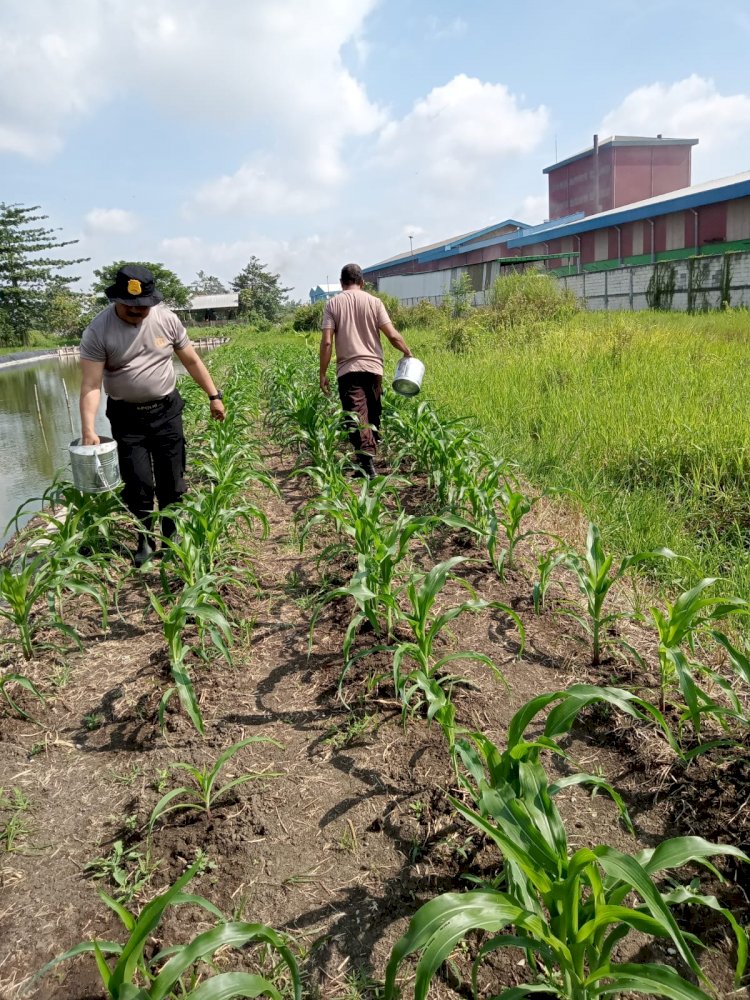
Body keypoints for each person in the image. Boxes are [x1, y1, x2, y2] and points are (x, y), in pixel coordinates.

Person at [79, 263, 225, 565]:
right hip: (127, 418)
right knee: (139, 484)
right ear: (117, 299)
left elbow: (192, 361)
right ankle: (144, 539)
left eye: (143, 306)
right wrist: (88, 429)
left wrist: (214, 395)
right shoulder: (98, 331)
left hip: (166, 412)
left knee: (172, 482)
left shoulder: (166, 320)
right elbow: (92, 384)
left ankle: (170, 537)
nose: (137, 311)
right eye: (130, 306)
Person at [319, 263, 412, 477]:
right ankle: (366, 460)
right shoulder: (375, 302)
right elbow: (393, 335)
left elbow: (326, 343)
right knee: (372, 412)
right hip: (374, 368)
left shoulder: (332, 304)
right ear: (362, 282)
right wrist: (408, 353)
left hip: (348, 369)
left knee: (355, 414)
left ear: (342, 283)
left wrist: (322, 373)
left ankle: (366, 462)